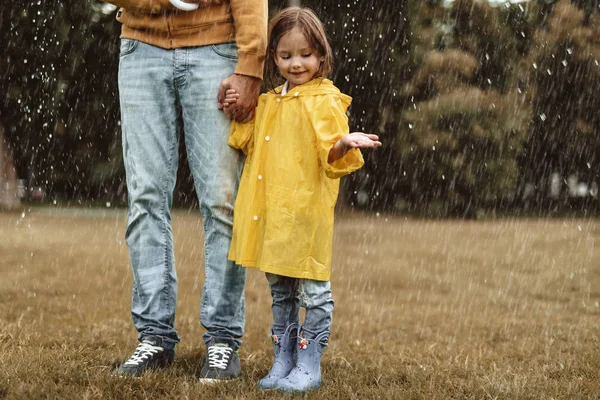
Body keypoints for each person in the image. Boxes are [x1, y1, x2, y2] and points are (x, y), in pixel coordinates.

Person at [101, 0, 267, 380]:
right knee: (145, 199)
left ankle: (223, 338)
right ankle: (154, 336)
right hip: (140, 50)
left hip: (216, 49)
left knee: (222, 202)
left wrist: (250, 66)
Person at [223, 6, 382, 392]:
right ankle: (284, 359)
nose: (296, 64)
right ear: (274, 58)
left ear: (321, 56)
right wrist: (235, 106)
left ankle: (310, 364)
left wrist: (342, 143)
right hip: (272, 217)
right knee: (280, 290)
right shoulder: (269, 102)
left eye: (305, 54)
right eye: (286, 55)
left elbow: (331, 154)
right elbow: (245, 141)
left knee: (313, 290)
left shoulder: (325, 100)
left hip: (304, 215)